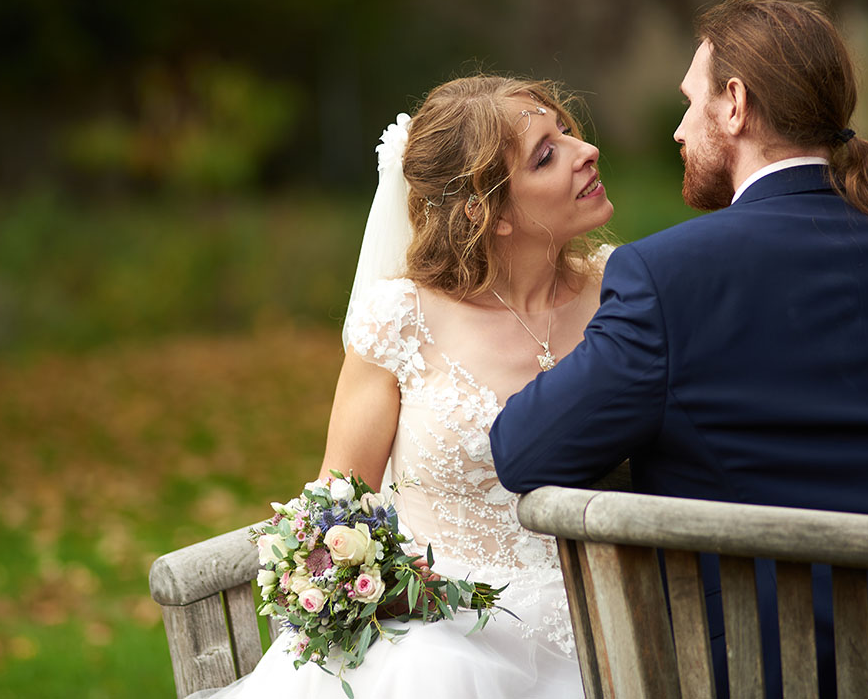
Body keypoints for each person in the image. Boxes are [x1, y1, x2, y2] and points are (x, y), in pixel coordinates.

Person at [489, 0, 868, 697]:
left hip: (785, 668)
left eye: (691, 102)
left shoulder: (666, 276)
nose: (680, 130)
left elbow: (526, 450)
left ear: (735, 105)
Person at [210, 75, 615, 699]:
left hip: (607, 619)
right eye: (546, 153)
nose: (582, 150)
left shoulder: (622, 291)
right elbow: (335, 504)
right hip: (441, 625)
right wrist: (366, 582)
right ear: (489, 211)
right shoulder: (403, 319)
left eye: (565, 131)